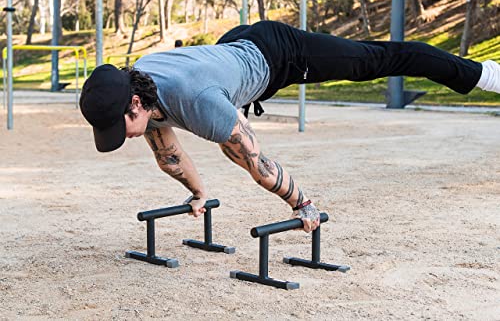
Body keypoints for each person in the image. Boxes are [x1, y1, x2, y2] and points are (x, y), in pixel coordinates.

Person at [80, 20, 500, 233]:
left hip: (280, 54)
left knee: (380, 58)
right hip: (231, 48)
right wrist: (199, 194)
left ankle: (480, 74)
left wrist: (302, 205)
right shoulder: (140, 83)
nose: (123, 137)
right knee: (191, 118)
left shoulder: (200, 105)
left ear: (134, 103)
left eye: (120, 128)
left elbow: (257, 163)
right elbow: (168, 155)